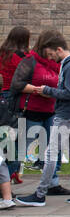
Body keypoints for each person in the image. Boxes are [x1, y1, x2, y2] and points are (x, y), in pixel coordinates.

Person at [14, 31, 70, 206]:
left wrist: (46, 90)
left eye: (52, 54)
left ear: (58, 49)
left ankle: (40, 194)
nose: (51, 58)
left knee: (50, 154)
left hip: (65, 115)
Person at [10, 30, 65, 192]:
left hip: (51, 111)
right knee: (20, 148)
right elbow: (17, 84)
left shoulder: (57, 64)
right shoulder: (30, 60)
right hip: (31, 112)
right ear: (44, 46)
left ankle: (52, 183)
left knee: (51, 148)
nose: (54, 53)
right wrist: (38, 90)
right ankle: (4, 181)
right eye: (52, 49)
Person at [1, 26, 31, 182]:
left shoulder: (3, 54)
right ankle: (10, 173)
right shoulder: (21, 57)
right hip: (17, 97)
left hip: (3, 95)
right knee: (18, 139)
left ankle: (8, 174)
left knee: (6, 139)